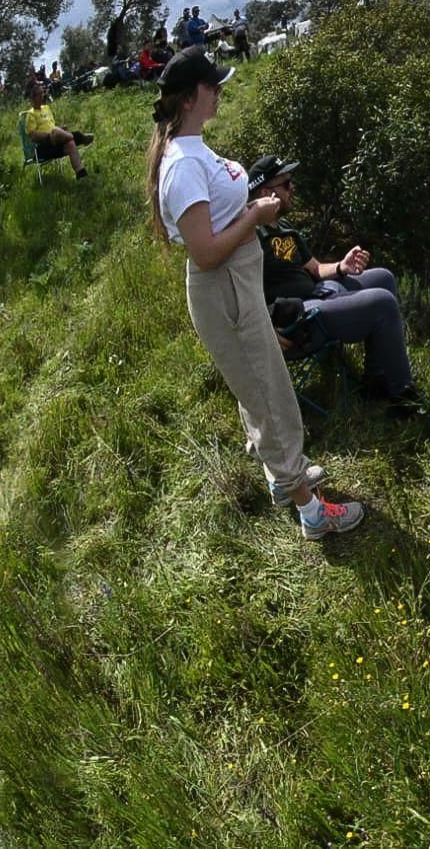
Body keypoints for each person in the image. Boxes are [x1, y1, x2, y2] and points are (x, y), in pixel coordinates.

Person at [146, 47, 363, 539]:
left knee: (262, 388)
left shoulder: (195, 149)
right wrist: (255, 216)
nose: (220, 90)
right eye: (212, 85)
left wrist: (252, 206)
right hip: (224, 289)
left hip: (239, 284)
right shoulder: (180, 166)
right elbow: (204, 253)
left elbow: (219, 219)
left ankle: (284, 477)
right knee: (269, 394)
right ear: (188, 99)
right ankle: (312, 512)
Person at [247, 155, 422, 416]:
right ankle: (403, 398)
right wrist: (264, 327)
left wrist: (342, 266)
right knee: (382, 303)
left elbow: (315, 269)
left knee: (383, 277)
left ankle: (376, 379)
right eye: (286, 184)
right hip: (297, 319)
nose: (293, 188)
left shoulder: (283, 227)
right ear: (265, 192)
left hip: (318, 293)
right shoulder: (251, 235)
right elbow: (238, 291)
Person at [23, 79, 92, 179]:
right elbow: (33, 136)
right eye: (40, 94)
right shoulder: (31, 114)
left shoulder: (46, 108)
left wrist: (60, 130)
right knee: (56, 132)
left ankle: (81, 175)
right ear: (33, 97)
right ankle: (80, 137)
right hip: (44, 147)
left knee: (70, 143)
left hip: (55, 143)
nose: (43, 95)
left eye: (43, 93)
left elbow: (51, 126)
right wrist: (49, 135)